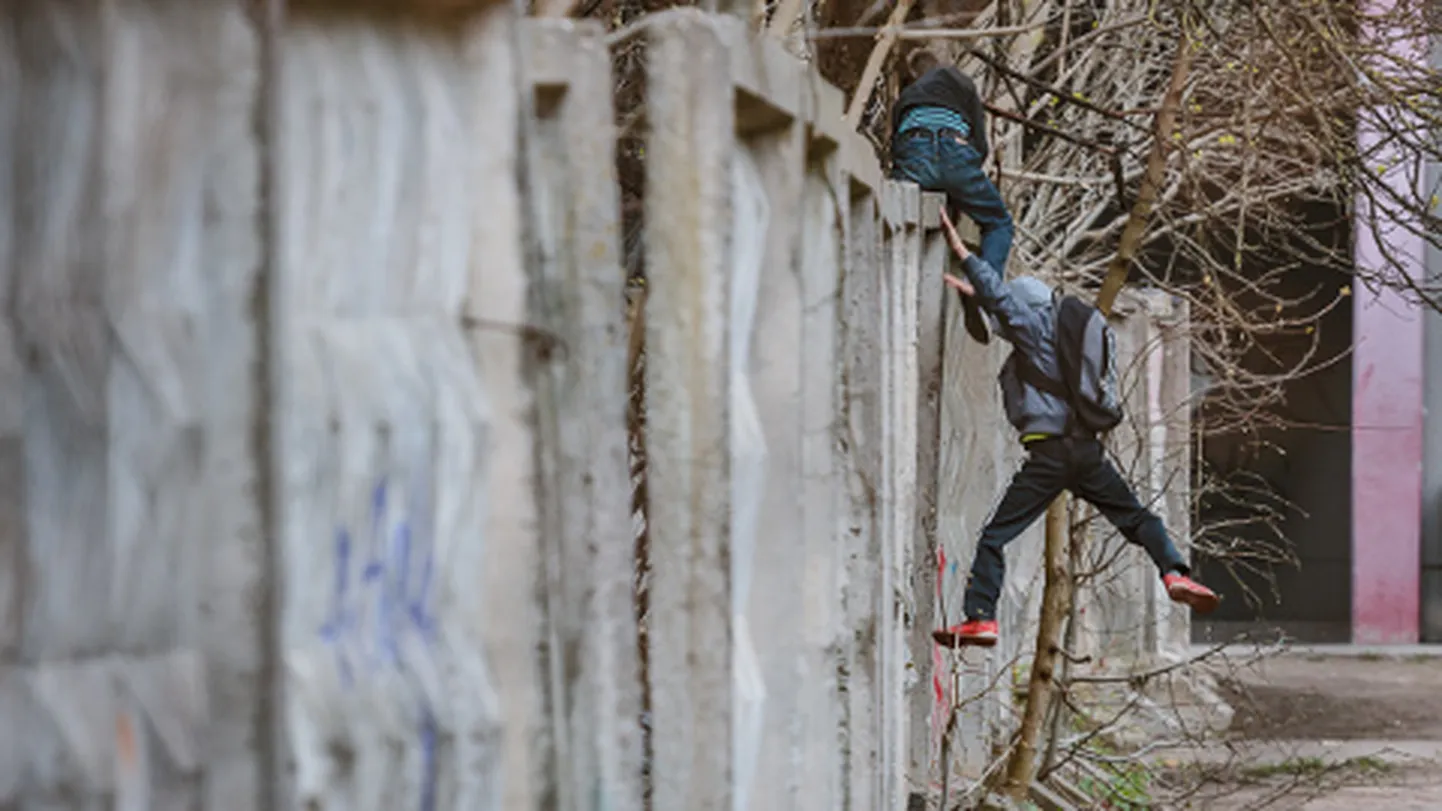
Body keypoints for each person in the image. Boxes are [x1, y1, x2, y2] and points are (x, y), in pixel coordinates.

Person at [931, 208, 1219, 648]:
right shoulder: (1076, 331)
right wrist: (978, 296)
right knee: (1136, 517)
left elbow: (1004, 305)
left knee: (995, 536)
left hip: (1048, 457)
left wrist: (962, 253)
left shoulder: (1033, 329)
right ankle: (1175, 572)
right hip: (1086, 452)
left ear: (1025, 312)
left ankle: (981, 617)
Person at [891, 49, 1013, 278]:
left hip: (914, 149)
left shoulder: (908, 95)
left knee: (893, 208)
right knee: (999, 222)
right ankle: (987, 289)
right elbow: (980, 146)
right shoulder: (962, 83)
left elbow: (896, 146)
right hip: (954, 149)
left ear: (916, 74)